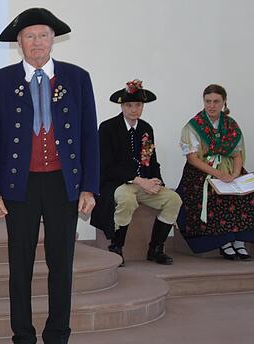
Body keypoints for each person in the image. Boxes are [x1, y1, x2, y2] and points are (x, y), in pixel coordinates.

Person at [0, 8, 98, 344]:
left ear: (53, 39)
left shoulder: (77, 79)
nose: (36, 43)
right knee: (21, 267)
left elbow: (88, 136)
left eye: (42, 36)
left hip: (64, 184)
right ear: (19, 43)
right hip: (20, 187)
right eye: (29, 37)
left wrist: (89, 187)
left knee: (61, 265)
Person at [91, 80, 182, 266]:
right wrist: (138, 180)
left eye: (138, 105)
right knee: (127, 199)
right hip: (117, 183)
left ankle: (156, 248)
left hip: (143, 183)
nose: (134, 109)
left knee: (174, 199)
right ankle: (117, 246)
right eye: (129, 105)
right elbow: (106, 166)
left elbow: (152, 159)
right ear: (122, 106)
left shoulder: (146, 129)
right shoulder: (108, 128)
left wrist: (157, 180)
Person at [176, 84, 254, 260]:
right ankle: (224, 241)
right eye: (208, 101)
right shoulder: (194, 126)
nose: (211, 105)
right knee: (215, 193)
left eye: (216, 101)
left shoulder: (231, 124)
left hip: (228, 169)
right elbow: (193, 159)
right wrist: (218, 175)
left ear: (224, 102)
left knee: (245, 192)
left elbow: (238, 153)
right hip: (201, 170)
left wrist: (234, 175)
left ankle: (240, 241)